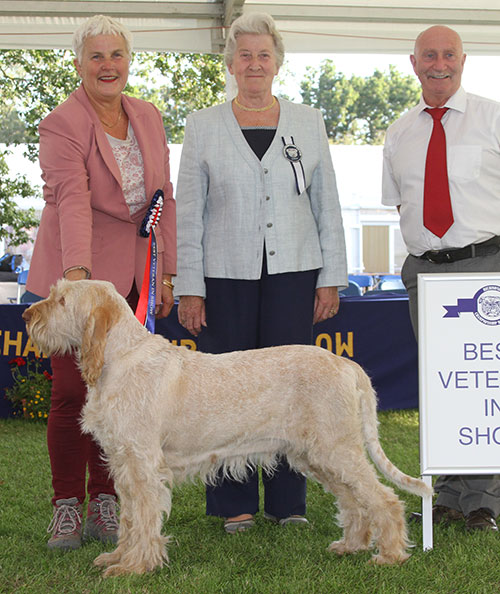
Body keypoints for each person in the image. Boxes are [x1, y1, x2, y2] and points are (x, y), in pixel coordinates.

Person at [174, 12, 347, 534]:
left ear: (277, 63)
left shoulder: (307, 120)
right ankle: (234, 505)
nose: (254, 63)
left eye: (263, 54)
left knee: (291, 392)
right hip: (223, 278)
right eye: (244, 54)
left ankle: (288, 502)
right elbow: (189, 215)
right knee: (224, 395)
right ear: (229, 63)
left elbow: (328, 204)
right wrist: (190, 288)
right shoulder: (202, 125)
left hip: (295, 273)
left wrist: (329, 276)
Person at [25, 14, 176, 549]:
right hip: (74, 274)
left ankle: (107, 503)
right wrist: (77, 285)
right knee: (71, 393)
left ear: (128, 63)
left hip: (132, 278)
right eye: (96, 56)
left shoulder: (149, 116)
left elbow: (163, 199)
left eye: (116, 55)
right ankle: (67, 504)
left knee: (122, 396)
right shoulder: (62, 123)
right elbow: (71, 200)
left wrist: (166, 270)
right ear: (78, 63)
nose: (107, 65)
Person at [382, 25, 500, 531]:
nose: (439, 63)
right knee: (441, 384)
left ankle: (484, 502)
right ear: (414, 63)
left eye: (448, 54)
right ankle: (446, 495)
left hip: (484, 269)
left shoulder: (493, 118)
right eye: (429, 55)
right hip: (425, 276)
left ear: (463, 60)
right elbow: (402, 205)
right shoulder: (400, 131)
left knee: (482, 383)